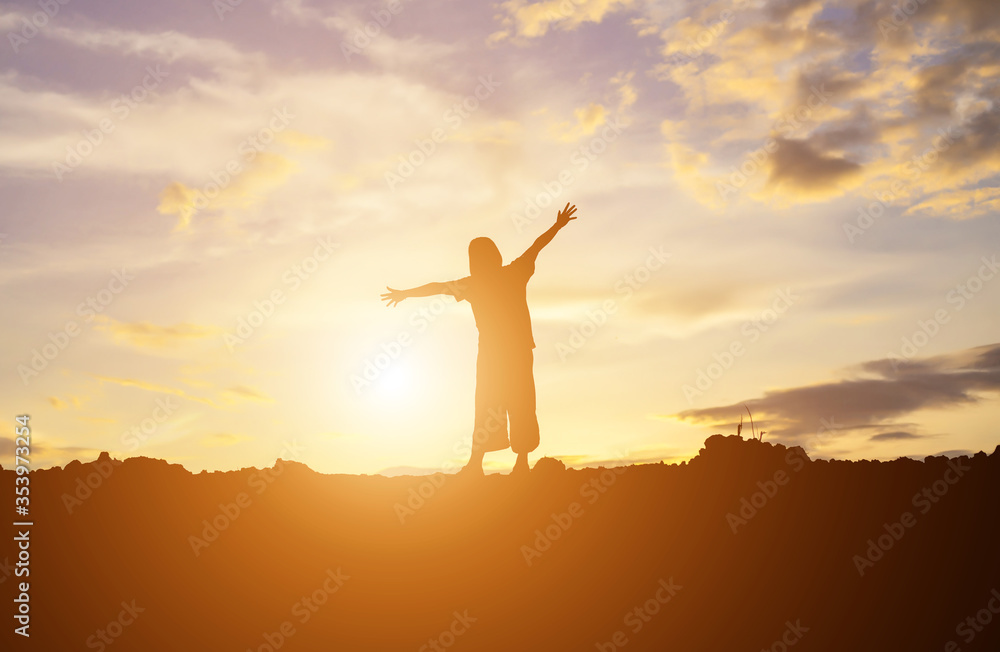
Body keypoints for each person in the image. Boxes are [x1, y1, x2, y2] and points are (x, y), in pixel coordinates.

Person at [381, 203, 579, 475]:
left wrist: (405, 293)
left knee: (491, 402)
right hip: (512, 352)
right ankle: (503, 464)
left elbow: (437, 287)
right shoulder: (511, 273)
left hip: (498, 354)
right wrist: (557, 225)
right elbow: (536, 246)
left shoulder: (477, 282)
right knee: (514, 401)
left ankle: (484, 464)